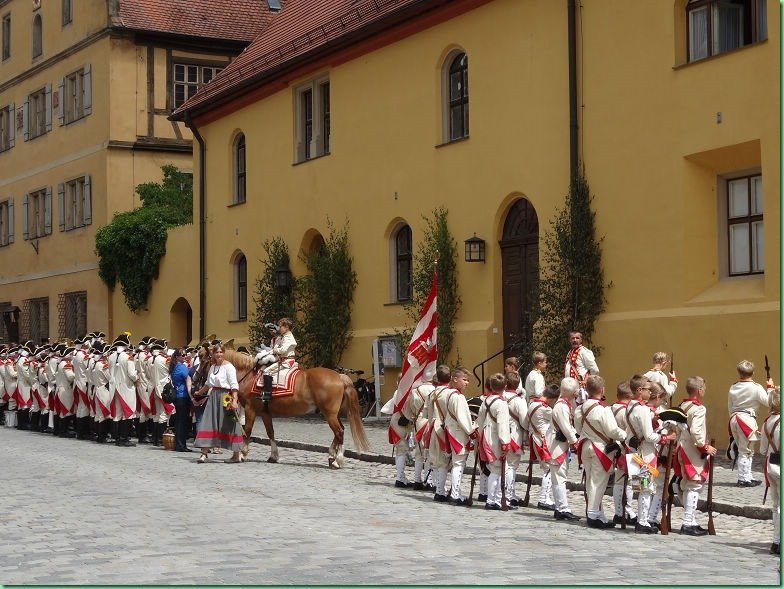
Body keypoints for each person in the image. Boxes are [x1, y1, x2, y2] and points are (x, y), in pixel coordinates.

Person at [574, 375, 627, 528]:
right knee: (598, 483)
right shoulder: (603, 409)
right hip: (600, 448)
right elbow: (612, 430)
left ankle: (599, 513)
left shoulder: (580, 408)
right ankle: (592, 514)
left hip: (585, 446)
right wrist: (625, 436)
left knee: (591, 481)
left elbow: (578, 429)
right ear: (602, 389)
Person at [626, 376, 676, 534]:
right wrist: (666, 438)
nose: (649, 392)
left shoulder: (632, 406)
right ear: (640, 391)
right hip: (645, 452)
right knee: (646, 489)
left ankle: (643, 520)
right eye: (647, 389)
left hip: (636, 451)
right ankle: (642, 521)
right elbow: (649, 436)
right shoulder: (642, 409)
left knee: (642, 487)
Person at [675, 376, 717, 535]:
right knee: (694, 484)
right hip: (692, 450)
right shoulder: (699, 408)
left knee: (688, 484)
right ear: (699, 390)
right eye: (704, 388)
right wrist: (705, 447)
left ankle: (691, 519)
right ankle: (687, 522)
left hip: (682, 447)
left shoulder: (682, 405)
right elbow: (696, 432)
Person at [194, 343, 245, 463]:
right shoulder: (213, 367)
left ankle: (236, 455)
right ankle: (204, 453)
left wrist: (234, 401)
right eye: (217, 352)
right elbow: (208, 383)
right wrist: (199, 392)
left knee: (230, 424)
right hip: (213, 397)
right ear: (213, 354)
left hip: (226, 397)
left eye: (221, 352)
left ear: (224, 353)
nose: (219, 354)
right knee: (208, 423)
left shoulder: (229, 367)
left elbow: (234, 385)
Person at [728, 359, 774, 487]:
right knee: (746, 450)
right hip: (747, 420)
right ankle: (743, 478)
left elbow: (730, 406)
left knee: (745, 449)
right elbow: (769, 402)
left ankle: (748, 476)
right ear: (753, 373)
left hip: (734, 418)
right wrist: (770, 389)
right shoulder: (756, 387)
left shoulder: (733, 386)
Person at [476, 373, 511, 510]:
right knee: (498, 469)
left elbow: (480, 420)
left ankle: (494, 499)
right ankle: (494, 499)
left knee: (494, 468)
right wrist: (505, 443)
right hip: (496, 437)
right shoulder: (501, 403)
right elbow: (502, 425)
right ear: (505, 387)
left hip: (486, 435)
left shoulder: (486, 400)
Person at [547, 377, 581, 521]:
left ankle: (560, 507)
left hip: (560, 444)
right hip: (558, 445)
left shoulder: (565, 404)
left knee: (559, 477)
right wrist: (575, 441)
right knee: (559, 477)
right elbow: (566, 428)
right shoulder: (562, 406)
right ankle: (562, 508)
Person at [442, 367, 476, 505]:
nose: (467, 383)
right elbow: (464, 419)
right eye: (464, 379)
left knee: (456, 463)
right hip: (458, 433)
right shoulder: (458, 397)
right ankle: (455, 494)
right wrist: (472, 431)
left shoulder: (449, 394)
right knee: (458, 463)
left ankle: (455, 491)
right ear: (455, 379)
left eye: (468, 380)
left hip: (452, 431)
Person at [525, 382, 559, 510]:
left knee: (547, 469)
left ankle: (545, 498)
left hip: (536, 437)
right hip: (544, 440)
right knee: (549, 469)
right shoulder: (545, 409)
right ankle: (544, 498)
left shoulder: (532, 404)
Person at [611, 378, 637, 526]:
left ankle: (622, 511)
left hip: (620, 448)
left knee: (621, 482)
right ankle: (625, 512)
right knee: (630, 483)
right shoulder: (624, 411)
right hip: (627, 449)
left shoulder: (612, 408)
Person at [427, 365, 453, 502]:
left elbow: (428, 414)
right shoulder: (450, 393)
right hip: (445, 429)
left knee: (436, 460)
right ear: (449, 378)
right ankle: (440, 490)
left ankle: (438, 486)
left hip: (433, 427)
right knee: (444, 461)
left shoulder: (432, 393)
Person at [759, 387, 780, 555]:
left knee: (776, 506)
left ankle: (776, 541)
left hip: (771, 466)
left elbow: (763, 449)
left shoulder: (766, 422)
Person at [261, 318, 297, 402]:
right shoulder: (284, 337)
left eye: (280, 326)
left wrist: (275, 349)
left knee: (266, 371)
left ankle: (267, 395)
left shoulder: (288, 338)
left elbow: (282, 350)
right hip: (283, 360)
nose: (279, 328)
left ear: (287, 327)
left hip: (287, 362)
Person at [564, 331, 599, 405]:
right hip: (571, 389)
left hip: (580, 389)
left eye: (577, 338)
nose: (575, 340)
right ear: (570, 340)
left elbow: (594, 369)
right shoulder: (570, 352)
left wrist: (588, 382)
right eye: (573, 338)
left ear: (581, 340)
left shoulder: (584, 351)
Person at [169, 348, 193, 452]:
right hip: (182, 396)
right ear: (177, 357)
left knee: (180, 421)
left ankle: (180, 444)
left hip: (179, 396)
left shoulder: (175, 366)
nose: (185, 356)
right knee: (182, 422)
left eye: (185, 355)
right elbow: (188, 378)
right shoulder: (182, 367)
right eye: (182, 355)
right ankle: (181, 445)